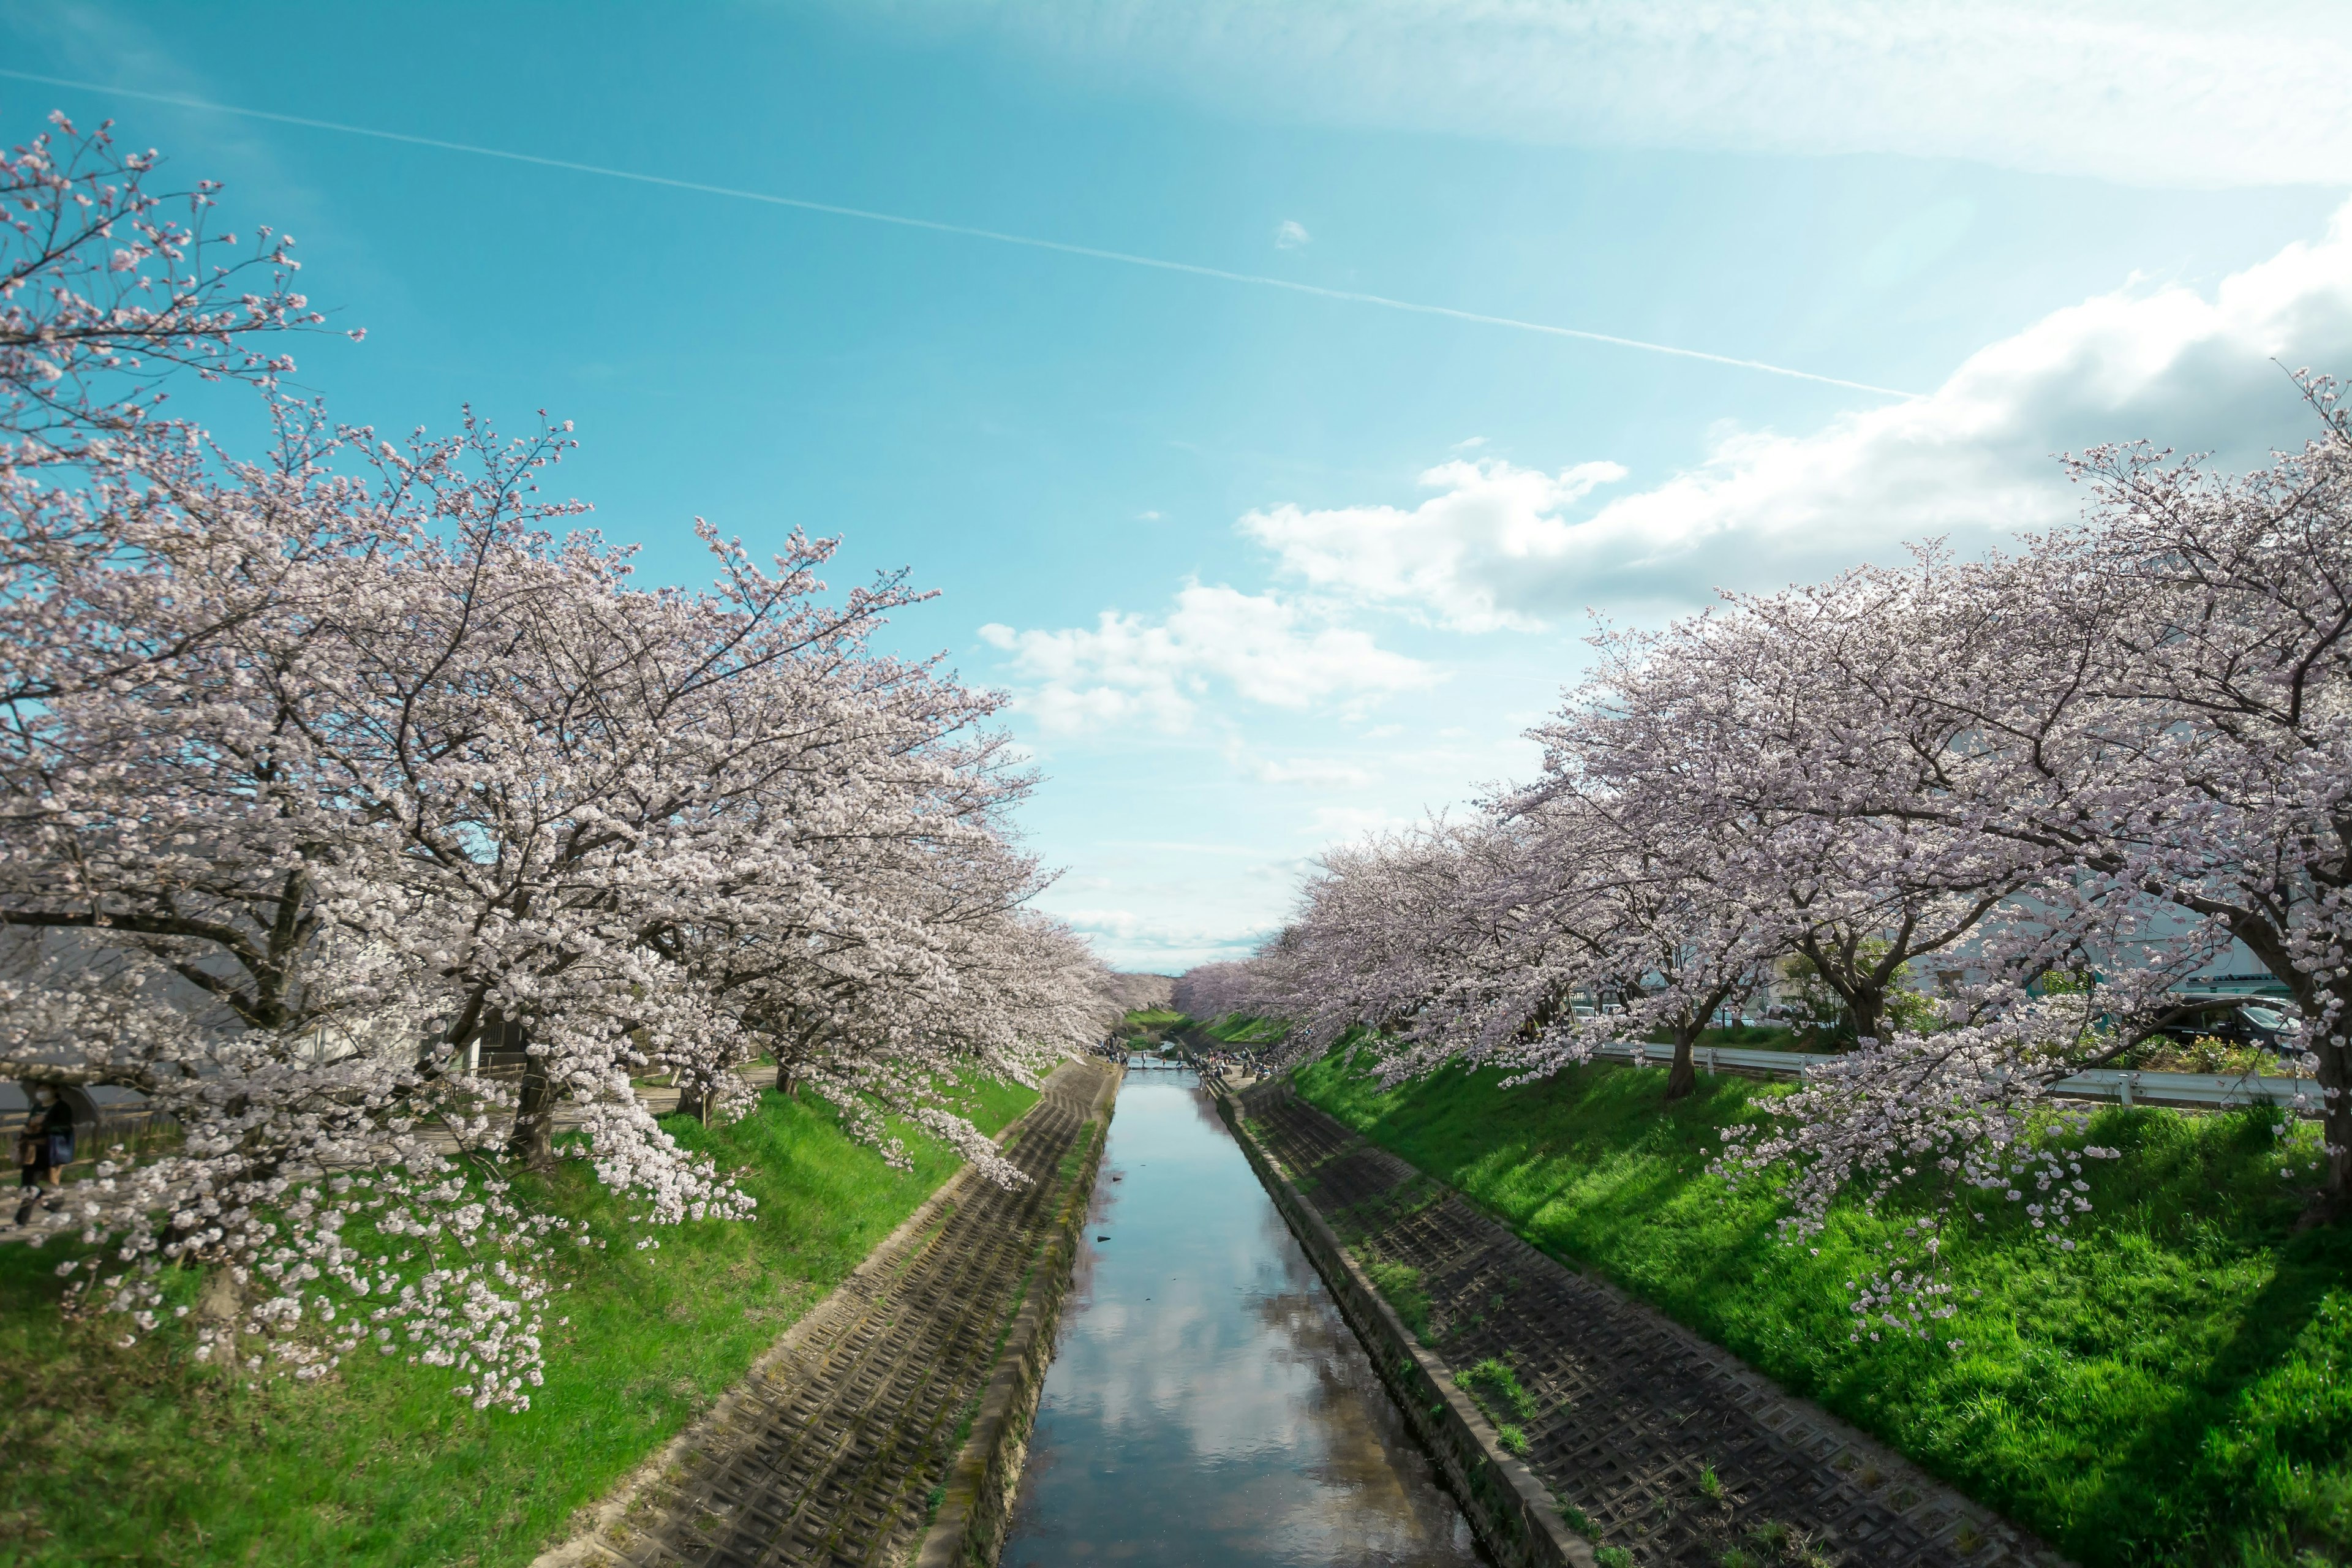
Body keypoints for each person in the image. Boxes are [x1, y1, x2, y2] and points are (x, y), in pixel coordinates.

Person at [15, 1087, 73, 1226]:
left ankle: (20, 1221)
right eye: (39, 1088)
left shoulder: (62, 1107)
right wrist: (27, 1129)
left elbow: (65, 1127)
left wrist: (44, 1124)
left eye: (44, 1088)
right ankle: (52, 1204)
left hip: (47, 1149)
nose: (41, 1092)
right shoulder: (37, 1106)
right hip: (31, 1148)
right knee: (26, 1184)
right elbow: (30, 1122)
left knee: (30, 1186)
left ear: (53, 1089)